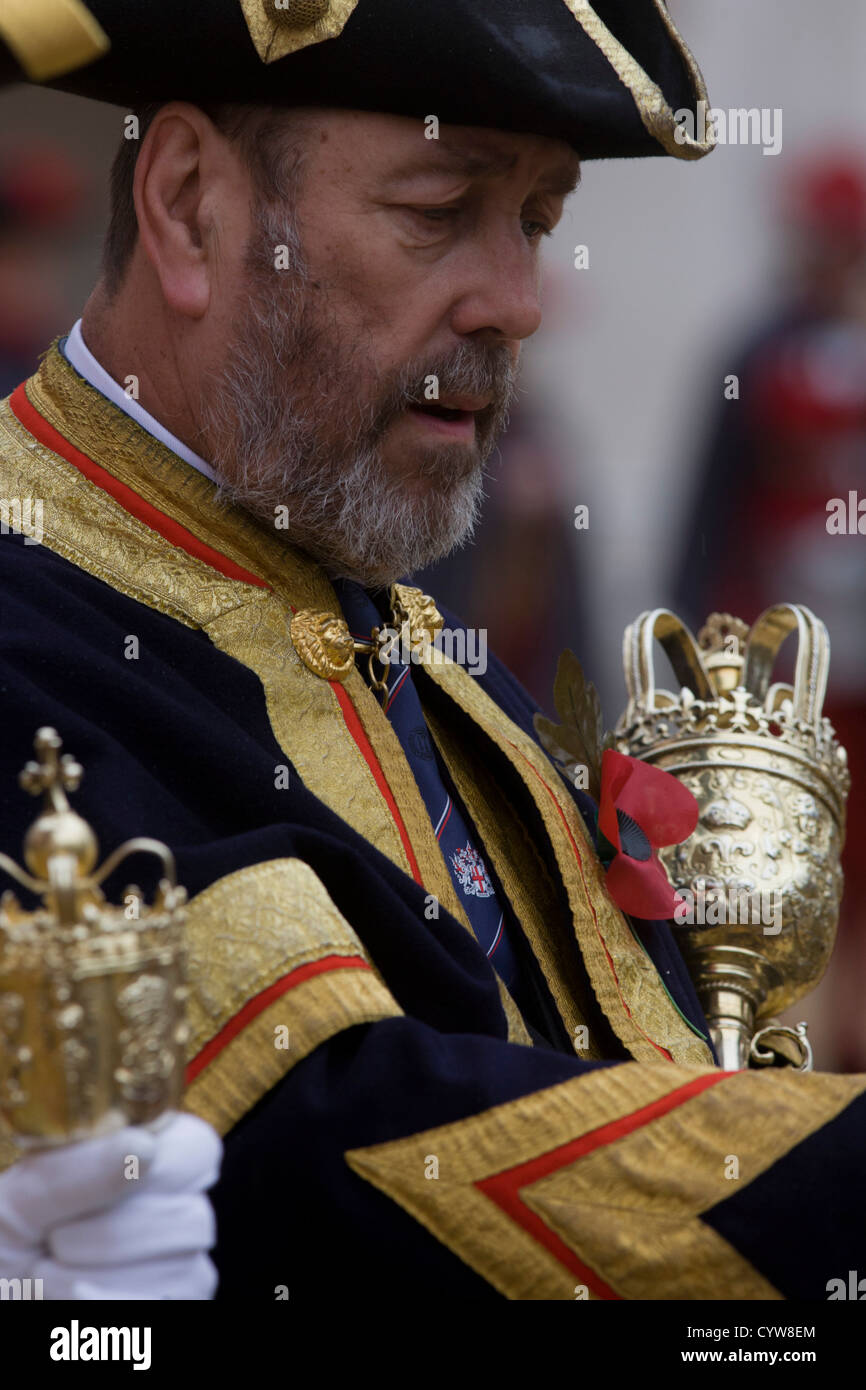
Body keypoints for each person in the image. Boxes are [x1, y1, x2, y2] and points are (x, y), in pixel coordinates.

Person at [0, 0, 863, 1304]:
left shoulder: (395, 629)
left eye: (534, 221)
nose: (517, 304)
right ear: (189, 208)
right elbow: (336, 1142)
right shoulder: (30, 622)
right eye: (436, 210)